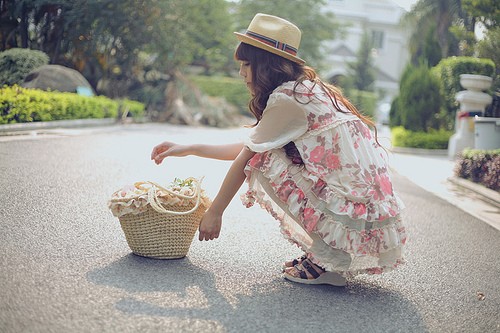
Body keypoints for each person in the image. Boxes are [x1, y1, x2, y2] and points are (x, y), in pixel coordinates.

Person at [151, 13, 407, 286]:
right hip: (363, 201)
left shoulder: (288, 98)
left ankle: (326, 258)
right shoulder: (305, 89)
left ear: (267, 65)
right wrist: (189, 148)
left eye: (247, 64)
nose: (241, 73)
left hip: (353, 202)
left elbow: (248, 156)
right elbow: (252, 144)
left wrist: (215, 212)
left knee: (263, 161)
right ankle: (325, 254)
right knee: (263, 155)